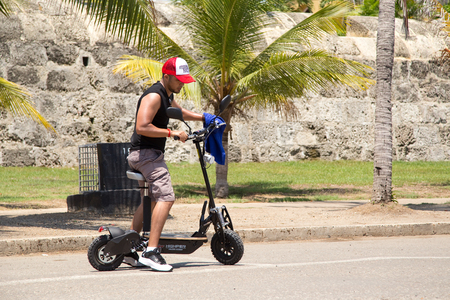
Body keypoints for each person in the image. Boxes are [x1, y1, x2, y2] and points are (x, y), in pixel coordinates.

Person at [126, 57, 204, 272]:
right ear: (167, 76)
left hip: (148, 154)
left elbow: (180, 113)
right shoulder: (153, 95)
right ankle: (151, 251)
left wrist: (205, 118)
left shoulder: (167, 94)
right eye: (179, 80)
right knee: (166, 197)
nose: (182, 84)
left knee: (151, 201)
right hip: (146, 155)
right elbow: (142, 126)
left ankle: (129, 248)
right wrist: (172, 133)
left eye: (184, 80)